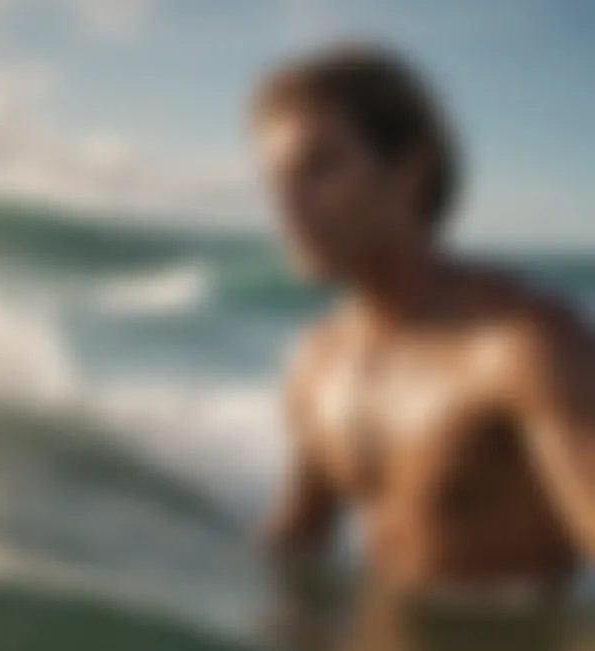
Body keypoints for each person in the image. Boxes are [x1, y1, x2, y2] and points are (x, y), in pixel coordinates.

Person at [251, 44, 595, 601]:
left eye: (320, 167)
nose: (287, 204)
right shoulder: (317, 361)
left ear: (411, 171)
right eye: (277, 180)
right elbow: (294, 551)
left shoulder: (523, 348)